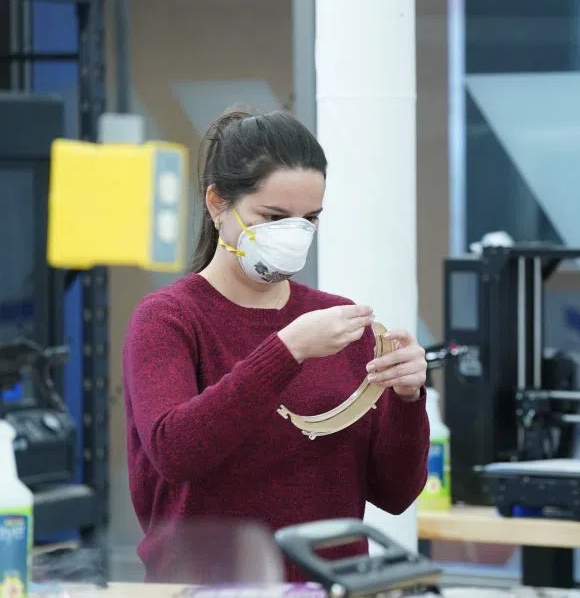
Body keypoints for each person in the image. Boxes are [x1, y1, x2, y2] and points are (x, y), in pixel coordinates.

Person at [122, 109, 429, 582]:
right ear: (217, 202)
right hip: (205, 589)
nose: (294, 235)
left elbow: (393, 493)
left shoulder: (337, 321)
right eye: (273, 217)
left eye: (310, 219)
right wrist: (286, 351)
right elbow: (176, 452)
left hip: (332, 584)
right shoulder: (168, 319)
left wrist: (407, 399)